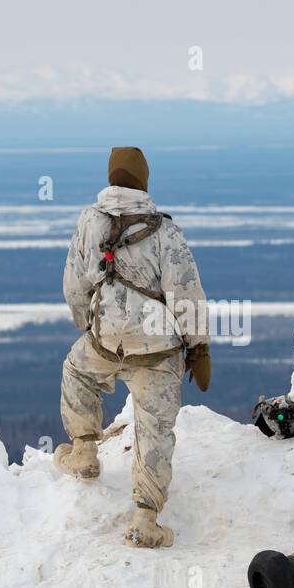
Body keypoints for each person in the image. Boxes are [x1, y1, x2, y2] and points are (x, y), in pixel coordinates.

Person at [54, 147, 210, 548]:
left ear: (111, 177)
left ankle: (85, 453)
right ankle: (145, 518)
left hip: (106, 341)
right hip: (157, 351)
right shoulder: (165, 232)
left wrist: (85, 323)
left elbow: (74, 280)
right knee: (155, 428)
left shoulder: (90, 221)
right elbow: (186, 293)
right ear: (144, 180)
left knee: (77, 371)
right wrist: (198, 348)